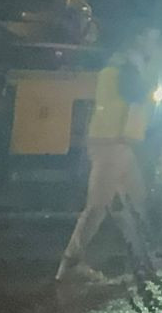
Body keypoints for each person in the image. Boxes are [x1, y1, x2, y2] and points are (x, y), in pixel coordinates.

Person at [55, 33, 156, 284]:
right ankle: (70, 263)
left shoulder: (121, 64)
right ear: (137, 39)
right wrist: (154, 76)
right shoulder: (126, 67)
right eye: (151, 37)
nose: (154, 43)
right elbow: (139, 94)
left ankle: (143, 261)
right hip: (112, 144)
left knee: (134, 201)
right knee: (99, 206)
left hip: (119, 143)